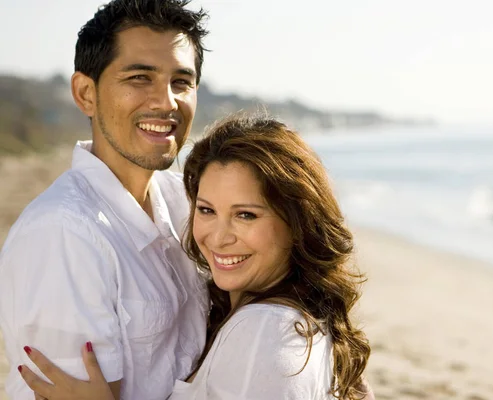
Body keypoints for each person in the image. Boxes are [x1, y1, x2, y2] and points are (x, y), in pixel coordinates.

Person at [18, 113, 374, 399]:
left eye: (246, 214)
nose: (217, 238)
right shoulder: (273, 313)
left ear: (297, 223)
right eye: (206, 210)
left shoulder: (266, 334)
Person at [0, 1, 210, 399]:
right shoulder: (63, 233)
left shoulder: (186, 201)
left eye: (181, 82)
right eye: (139, 78)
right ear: (85, 94)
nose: (166, 102)